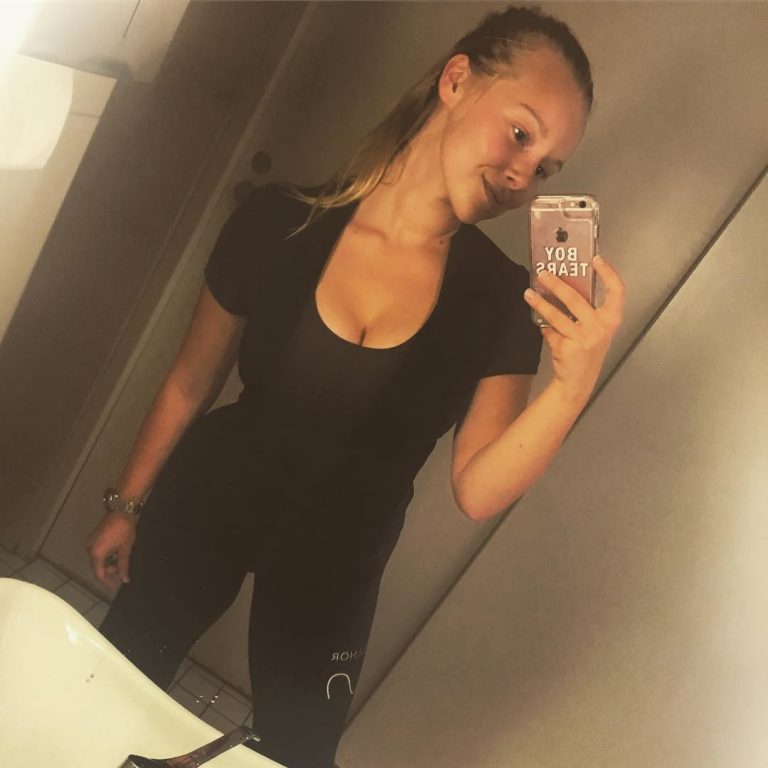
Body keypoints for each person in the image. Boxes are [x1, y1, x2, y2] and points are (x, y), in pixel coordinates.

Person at [85, 4, 624, 767]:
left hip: (336, 564)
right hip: (211, 498)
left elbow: (477, 490)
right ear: (457, 80)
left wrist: (573, 384)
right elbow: (189, 380)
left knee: (297, 751)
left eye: (546, 169)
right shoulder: (278, 221)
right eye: (520, 132)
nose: (522, 175)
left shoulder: (501, 300)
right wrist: (127, 505)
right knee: (110, 693)